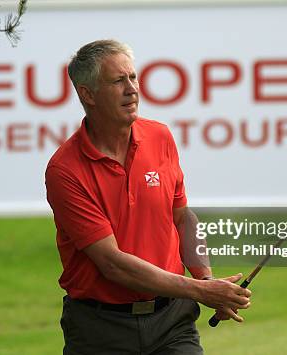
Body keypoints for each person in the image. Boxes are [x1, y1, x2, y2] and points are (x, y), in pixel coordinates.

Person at [45, 39, 251, 355]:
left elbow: (183, 218)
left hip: (173, 323)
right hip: (100, 330)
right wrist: (202, 291)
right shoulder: (65, 169)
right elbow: (113, 265)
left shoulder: (160, 137)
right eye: (118, 81)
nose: (132, 89)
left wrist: (206, 278)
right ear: (88, 94)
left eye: (133, 77)